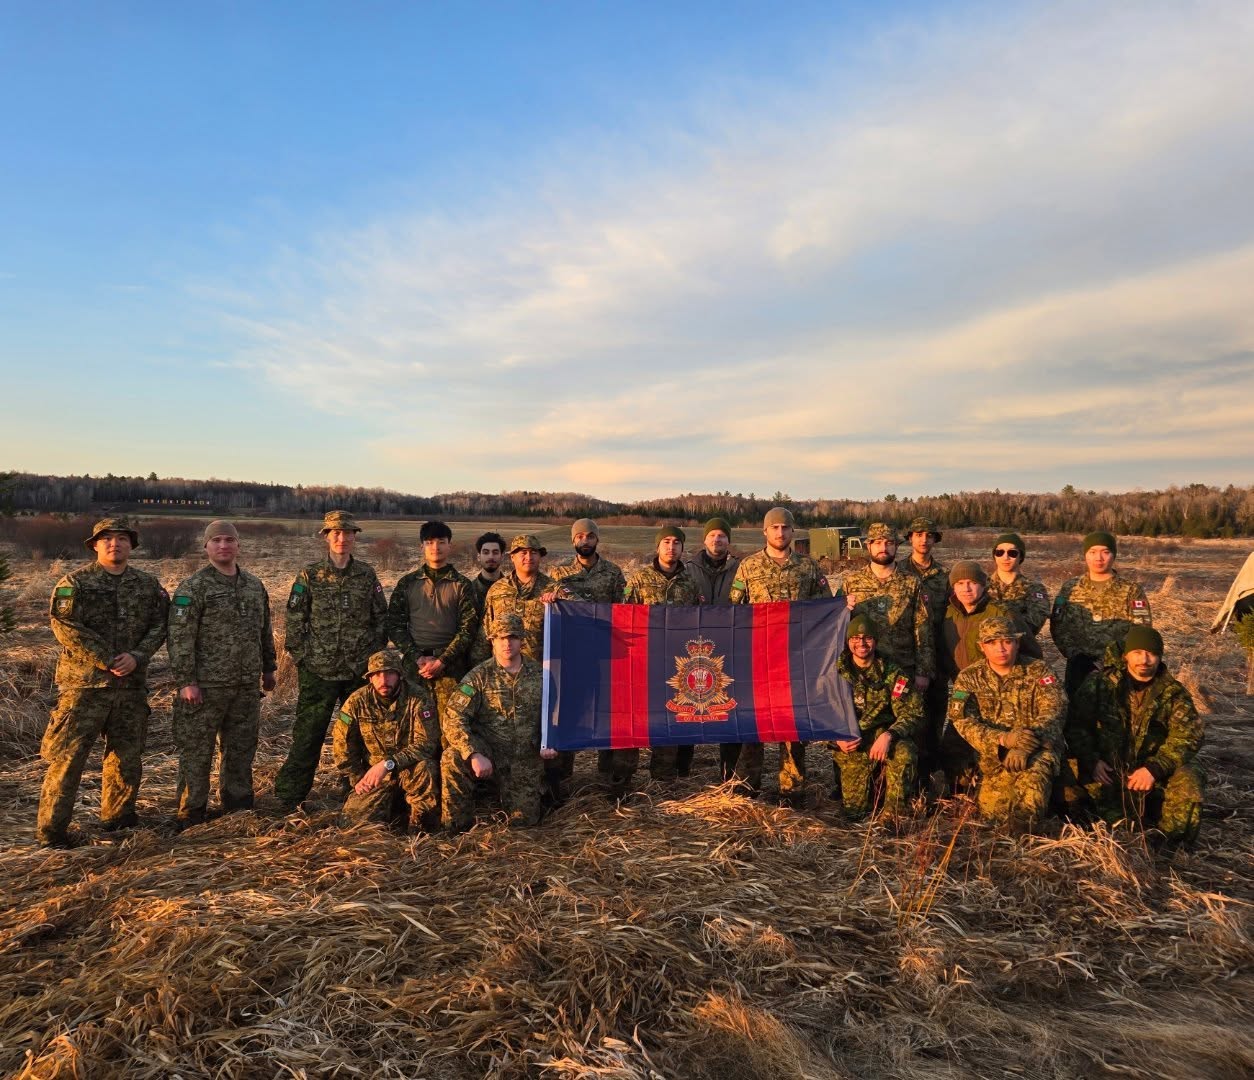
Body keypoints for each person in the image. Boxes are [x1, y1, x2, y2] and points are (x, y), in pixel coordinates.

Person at [37, 517, 169, 847]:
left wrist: (138, 655)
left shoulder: (147, 585)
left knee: (126, 758)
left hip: (130, 687)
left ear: (131, 545)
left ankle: (118, 819)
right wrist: (107, 658)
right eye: (107, 538)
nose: (115, 543)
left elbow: (161, 625)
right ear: (95, 545)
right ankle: (52, 832)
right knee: (67, 758)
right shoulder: (74, 583)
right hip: (85, 688)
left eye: (122, 538)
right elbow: (65, 626)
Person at [274, 510, 387, 811]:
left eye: (348, 533)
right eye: (336, 533)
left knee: (359, 735)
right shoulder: (310, 575)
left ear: (354, 537)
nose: (342, 538)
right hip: (319, 671)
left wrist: (370, 657)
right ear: (326, 536)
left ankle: (356, 791)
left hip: (357, 671)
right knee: (308, 734)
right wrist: (303, 658)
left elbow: (380, 618)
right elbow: (295, 621)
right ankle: (290, 796)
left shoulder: (366, 575)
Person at [167, 521, 277, 828]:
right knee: (197, 752)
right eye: (216, 540)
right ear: (206, 547)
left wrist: (269, 668)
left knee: (241, 749)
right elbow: (180, 638)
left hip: (244, 686)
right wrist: (187, 681)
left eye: (230, 540)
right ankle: (191, 815)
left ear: (239, 545)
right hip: (205, 687)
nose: (224, 545)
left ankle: (238, 809)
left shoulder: (254, 586)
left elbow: (264, 631)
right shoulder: (194, 588)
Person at [726, 507, 833, 802]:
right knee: (753, 724)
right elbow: (732, 611)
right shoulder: (748, 567)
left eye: (785, 527)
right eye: (774, 528)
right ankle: (748, 786)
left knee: (793, 726)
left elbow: (826, 608)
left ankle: (792, 787)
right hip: (758, 660)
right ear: (765, 532)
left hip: (796, 660)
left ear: (792, 531)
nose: (780, 533)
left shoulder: (808, 567)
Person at [1064, 627, 1204, 844]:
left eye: (1151, 653)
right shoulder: (1101, 684)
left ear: (1160, 656)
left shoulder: (1174, 693)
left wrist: (1155, 768)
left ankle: (1170, 847)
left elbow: (1189, 736)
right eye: (1137, 652)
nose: (1144, 660)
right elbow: (1076, 725)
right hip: (1108, 772)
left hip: (1151, 775)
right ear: (1126, 655)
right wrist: (1092, 760)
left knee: (1190, 776)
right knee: (1112, 825)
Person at [609, 526, 705, 796]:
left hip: (677, 664)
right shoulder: (639, 580)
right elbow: (623, 619)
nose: (671, 547)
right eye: (666, 542)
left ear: (682, 548)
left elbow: (700, 622)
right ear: (657, 546)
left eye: (676, 542)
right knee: (632, 722)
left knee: (669, 720)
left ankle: (662, 782)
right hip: (642, 662)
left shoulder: (690, 582)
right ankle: (622, 783)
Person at [441, 614, 556, 832]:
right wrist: (473, 753)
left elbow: (556, 713)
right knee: (452, 758)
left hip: (525, 758)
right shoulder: (478, 677)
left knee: (524, 823)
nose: (507, 643)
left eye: (512, 637)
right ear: (491, 640)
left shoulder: (541, 675)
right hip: (489, 754)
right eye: (500, 637)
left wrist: (551, 740)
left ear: (521, 639)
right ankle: (456, 828)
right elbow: (453, 717)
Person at [948, 616, 1064, 832]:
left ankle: (1024, 836)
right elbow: (962, 719)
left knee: (1027, 806)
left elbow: (1055, 709)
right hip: (993, 757)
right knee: (993, 817)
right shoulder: (969, 678)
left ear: (1017, 643)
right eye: (992, 642)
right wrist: (1002, 739)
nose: (1000, 648)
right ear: (982, 647)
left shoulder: (1039, 671)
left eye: (1007, 641)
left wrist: (1023, 745)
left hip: (1036, 752)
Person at [333, 648, 441, 831]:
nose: (383, 681)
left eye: (390, 674)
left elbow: (427, 744)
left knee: (426, 769)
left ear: (400, 675)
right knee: (351, 825)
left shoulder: (419, 698)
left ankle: (419, 828)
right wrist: (357, 778)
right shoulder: (356, 702)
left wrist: (388, 764)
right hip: (374, 776)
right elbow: (342, 745)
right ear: (369, 678)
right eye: (377, 675)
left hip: (410, 769)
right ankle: (396, 808)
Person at [830, 615, 922, 820]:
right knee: (855, 814)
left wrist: (890, 735)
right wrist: (836, 737)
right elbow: (821, 712)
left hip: (883, 738)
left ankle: (895, 813)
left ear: (876, 641)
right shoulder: (835, 673)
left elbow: (912, 712)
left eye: (867, 638)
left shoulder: (892, 671)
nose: (861, 643)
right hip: (852, 742)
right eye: (855, 638)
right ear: (847, 641)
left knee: (905, 752)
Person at [387, 520, 478, 723]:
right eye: (429, 542)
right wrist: (417, 657)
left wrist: (443, 660)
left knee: (451, 726)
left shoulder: (462, 585)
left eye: (441, 541)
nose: (435, 547)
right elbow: (395, 625)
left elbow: (468, 628)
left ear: (449, 545)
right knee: (414, 725)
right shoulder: (407, 583)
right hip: (415, 667)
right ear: (422, 547)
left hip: (451, 668)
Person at [1051, 531, 1152, 694]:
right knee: (1078, 714)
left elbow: (1142, 628)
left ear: (1113, 555)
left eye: (1105, 552)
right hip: (1079, 667)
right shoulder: (1070, 588)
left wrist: (1117, 657)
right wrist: (1074, 655)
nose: (1099, 558)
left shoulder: (1131, 590)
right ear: (1085, 555)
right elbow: (1058, 625)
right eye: (1092, 552)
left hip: (1118, 668)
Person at [471, 534, 572, 665]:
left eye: (534, 552)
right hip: (502, 672)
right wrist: (480, 668)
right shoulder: (497, 590)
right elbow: (484, 634)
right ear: (512, 557)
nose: (529, 557)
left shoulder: (554, 588)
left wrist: (562, 602)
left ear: (540, 556)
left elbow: (583, 610)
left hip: (539, 674)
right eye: (523, 553)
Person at [984, 532, 1051, 636]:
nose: (1005, 557)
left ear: (1020, 556)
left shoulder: (1034, 588)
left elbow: (1035, 622)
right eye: (999, 552)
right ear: (995, 556)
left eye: (1012, 553)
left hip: (1020, 648)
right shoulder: (981, 585)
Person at [549, 518, 626, 603]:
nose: (585, 541)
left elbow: (624, 599)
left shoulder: (614, 572)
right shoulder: (558, 571)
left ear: (597, 541)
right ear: (573, 541)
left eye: (591, 537)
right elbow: (548, 598)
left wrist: (629, 589)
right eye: (580, 537)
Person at [686, 517, 741, 605]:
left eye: (721, 536)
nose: (716, 539)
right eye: (712, 535)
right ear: (705, 540)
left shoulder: (740, 571)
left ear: (728, 541)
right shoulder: (688, 570)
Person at [468, 531, 507, 619]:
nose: (491, 557)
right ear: (479, 557)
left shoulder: (512, 590)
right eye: (486, 552)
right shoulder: (468, 591)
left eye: (495, 552)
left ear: (502, 556)